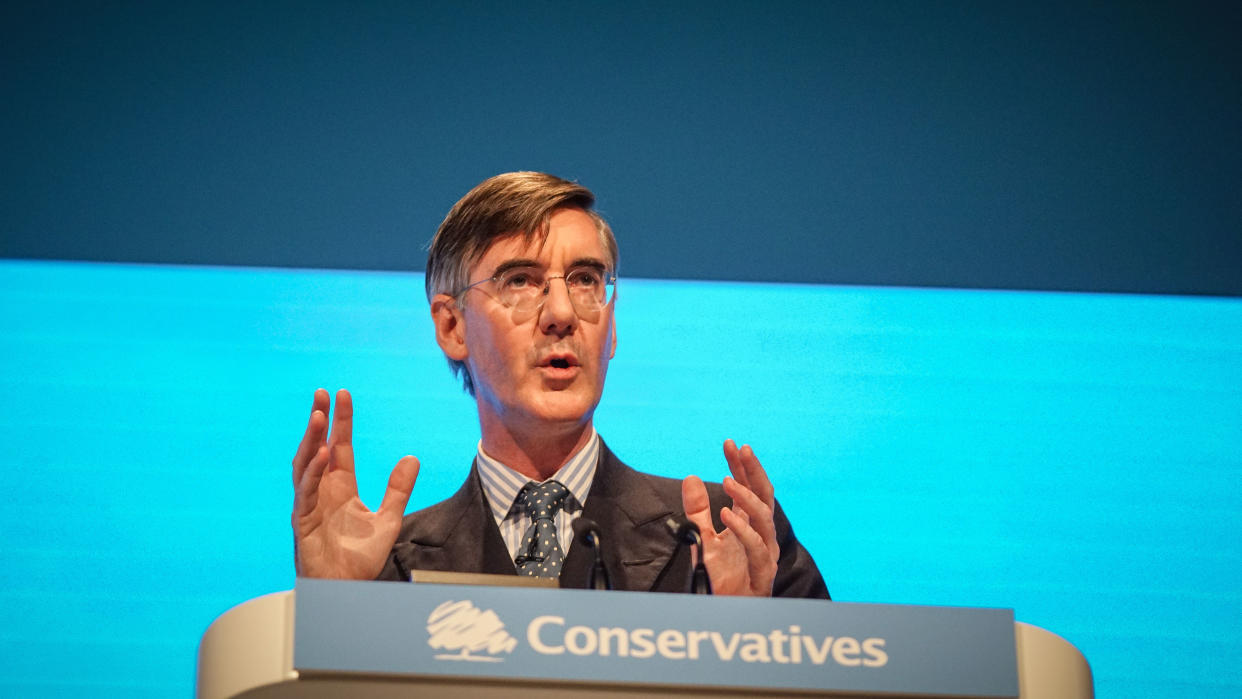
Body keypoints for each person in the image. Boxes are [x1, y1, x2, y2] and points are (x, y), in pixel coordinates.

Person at [291, 172, 828, 598]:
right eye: (520, 281)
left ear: (611, 326)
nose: (562, 313)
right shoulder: (382, 567)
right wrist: (335, 612)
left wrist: (744, 646)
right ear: (452, 327)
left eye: (586, 280)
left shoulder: (734, 536)